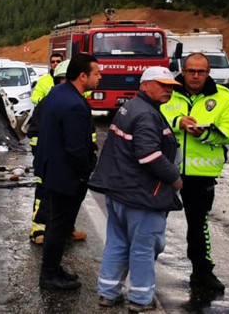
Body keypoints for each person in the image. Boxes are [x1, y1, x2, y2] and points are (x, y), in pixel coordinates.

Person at [89, 66, 184, 311]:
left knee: (117, 243)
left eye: (171, 87)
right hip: (141, 195)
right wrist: (174, 177)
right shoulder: (146, 114)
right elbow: (149, 155)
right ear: (145, 85)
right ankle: (141, 299)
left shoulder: (132, 107)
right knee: (144, 248)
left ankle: (108, 293)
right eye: (162, 85)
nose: (168, 90)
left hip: (120, 191)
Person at [160, 52, 229, 292]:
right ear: (183, 71)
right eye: (191, 71)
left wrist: (204, 133)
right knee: (153, 222)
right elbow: (152, 120)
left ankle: (202, 272)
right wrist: (179, 123)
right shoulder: (167, 91)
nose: (195, 76)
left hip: (201, 173)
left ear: (208, 73)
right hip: (165, 169)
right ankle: (141, 270)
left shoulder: (223, 97)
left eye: (201, 71)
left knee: (198, 225)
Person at [35, 53, 101, 290]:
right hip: (66, 176)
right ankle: (49, 274)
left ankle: (53, 268)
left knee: (55, 223)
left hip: (52, 170)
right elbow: (75, 148)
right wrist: (84, 172)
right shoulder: (74, 104)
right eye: (96, 73)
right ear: (83, 76)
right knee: (59, 226)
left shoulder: (58, 93)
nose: (100, 77)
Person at [27, 60, 88, 244]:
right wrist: (43, 157)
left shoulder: (78, 102)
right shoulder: (49, 102)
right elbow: (35, 133)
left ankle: (66, 229)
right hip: (49, 160)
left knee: (68, 198)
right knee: (45, 194)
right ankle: (38, 229)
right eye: (63, 80)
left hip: (66, 161)